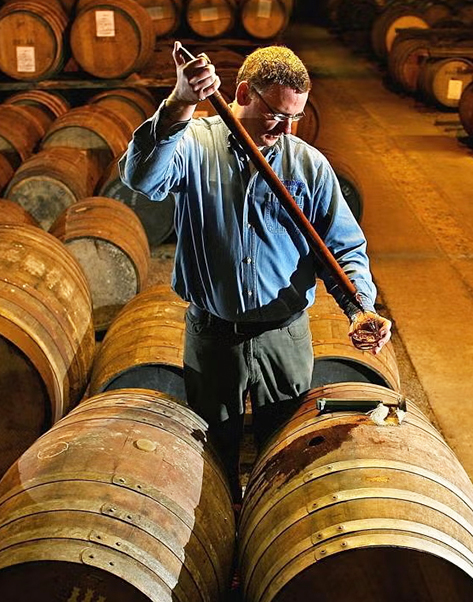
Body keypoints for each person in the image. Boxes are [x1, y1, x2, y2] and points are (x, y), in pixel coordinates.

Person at [120, 41, 392, 502]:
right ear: (243, 92)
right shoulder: (194, 146)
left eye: (295, 118)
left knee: (285, 453)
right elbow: (143, 178)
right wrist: (181, 101)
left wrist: (360, 306)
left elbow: (343, 247)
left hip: (283, 337)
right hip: (213, 334)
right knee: (211, 455)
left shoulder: (307, 164)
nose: (285, 128)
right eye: (276, 114)